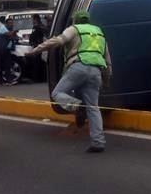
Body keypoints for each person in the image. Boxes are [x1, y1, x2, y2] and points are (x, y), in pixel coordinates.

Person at [28, 10, 112, 153]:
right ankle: (98, 142)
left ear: (75, 20)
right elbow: (108, 60)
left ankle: (77, 106)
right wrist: (106, 80)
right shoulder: (99, 33)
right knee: (93, 107)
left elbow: (57, 41)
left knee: (57, 93)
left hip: (78, 66)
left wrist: (35, 50)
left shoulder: (74, 29)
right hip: (96, 70)